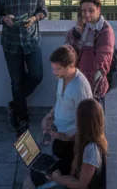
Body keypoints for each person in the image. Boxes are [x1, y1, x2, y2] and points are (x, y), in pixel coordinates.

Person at [0, 0, 48, 133]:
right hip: (11, 44)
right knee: (16, 83)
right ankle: (21, 116)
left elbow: (43, 12)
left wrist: (33, 19)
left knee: (37, 75)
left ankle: (14, 104)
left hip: (31, 41)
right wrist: (5, 19)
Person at [37, 45, 95, 184]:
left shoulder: (80, 87)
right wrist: (49, 116)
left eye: (58, 69)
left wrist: (68, 137)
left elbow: (85, 122)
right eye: (53, 69)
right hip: (60, 136)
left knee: (48, 177)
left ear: (70, 66)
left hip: (72, 143)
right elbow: (60, 100)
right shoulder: (62, 77)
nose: (54, 73)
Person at [33, 98, 107, 189]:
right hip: (73, 177)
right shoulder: (88, 136)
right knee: (37, 172)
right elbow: (70, 138)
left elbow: (81, 185)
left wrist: (57, 178)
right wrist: (57, 135)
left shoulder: (91, 151)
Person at [66, 0, 115, 104]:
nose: (87, 14)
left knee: (93, 120)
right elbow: (70, 51)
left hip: (94, 90)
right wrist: (75, 34)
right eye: (83, 11)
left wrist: (90, 92)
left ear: (99, 9)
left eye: (91, 11)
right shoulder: (83, 26)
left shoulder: (105, 31)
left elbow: (102, 65)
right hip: (78, 83)